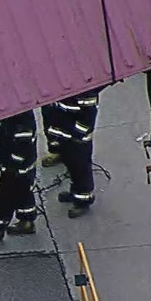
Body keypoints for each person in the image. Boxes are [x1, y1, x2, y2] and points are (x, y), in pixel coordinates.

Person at [42, 86, 106, 218]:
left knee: (80, 169)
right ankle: (75, 192)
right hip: (65, 136)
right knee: (71, 166)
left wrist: (77, 135)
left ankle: (83, 200)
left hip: (78, 141)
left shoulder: (84, 88)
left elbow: (88, 116)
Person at [0, 111, 38, 243]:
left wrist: (12, 165)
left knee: (4, 197)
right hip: (15, 165)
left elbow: (23, 146)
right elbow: (1, 127)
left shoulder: (21, 119)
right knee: (24, 192)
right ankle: (26, 220)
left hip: (17, 168)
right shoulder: (9, 111)